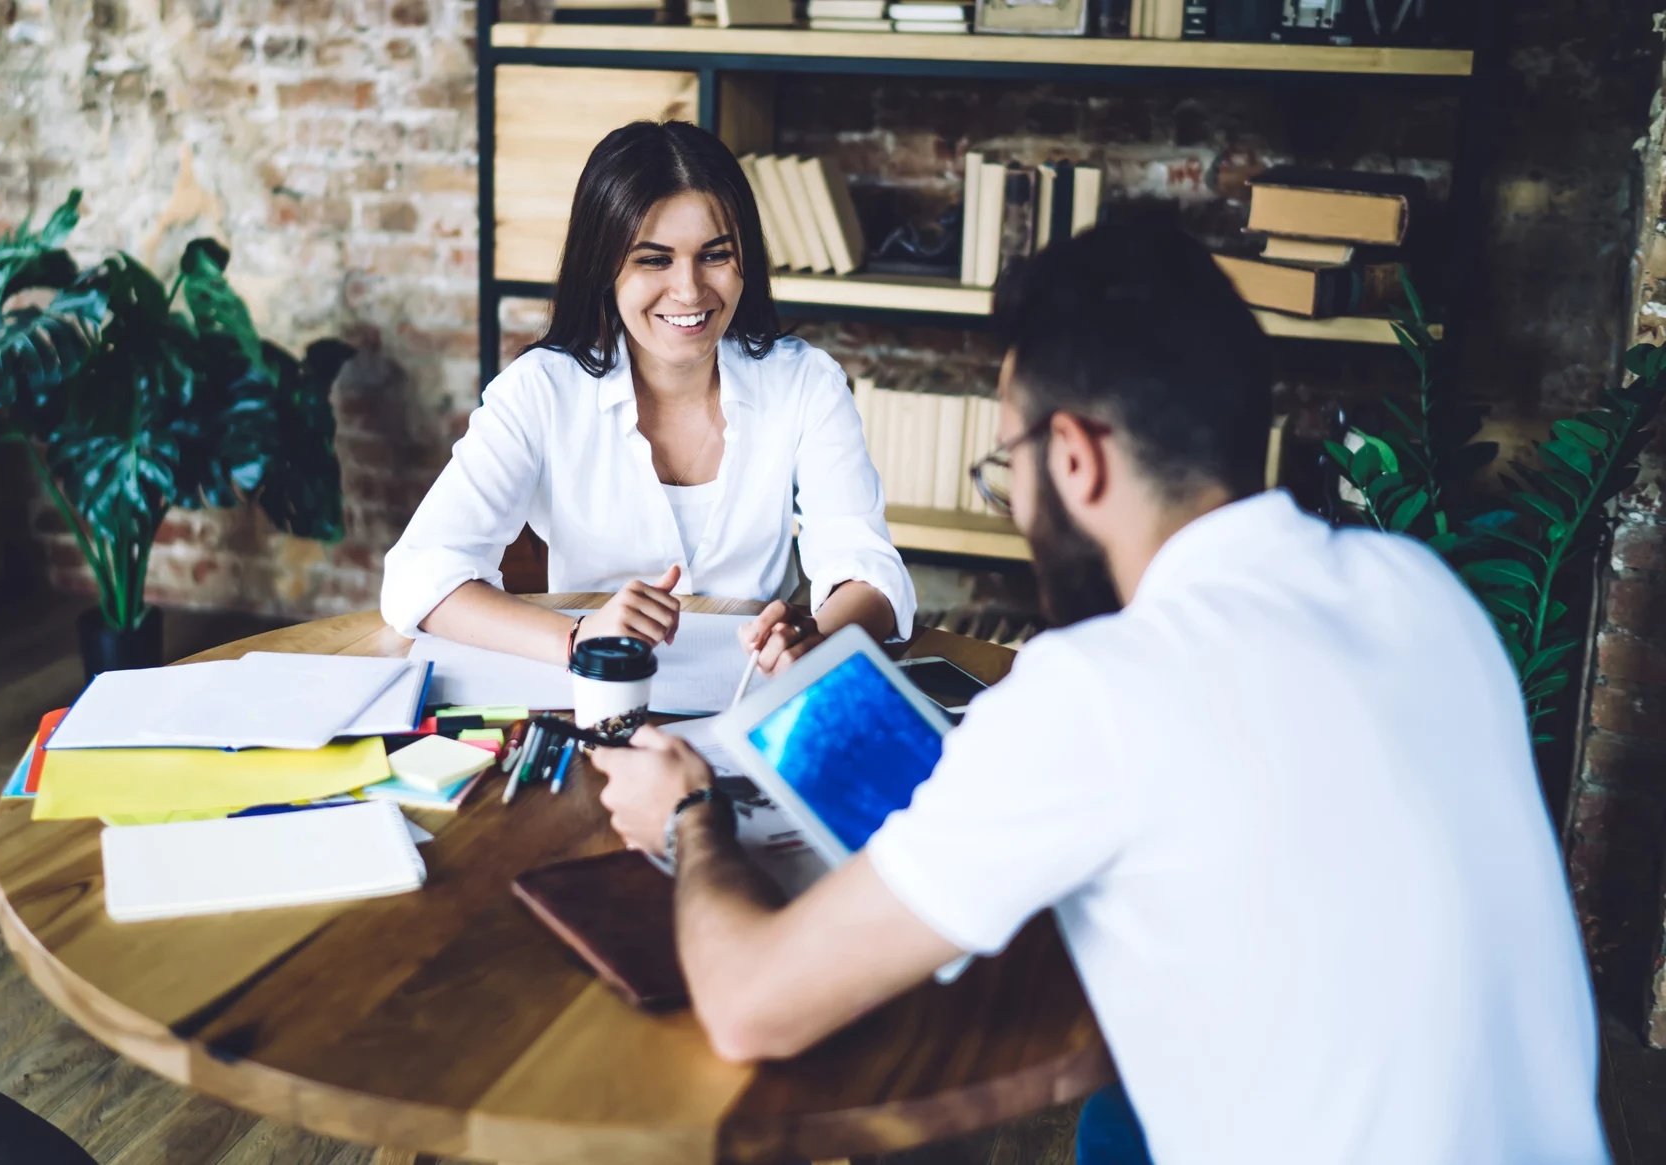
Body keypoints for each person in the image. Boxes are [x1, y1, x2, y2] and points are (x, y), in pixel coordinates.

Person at [594, 219, 1609, 1164]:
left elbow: (749, 1005)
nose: (1016, 502)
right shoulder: (1417, 590)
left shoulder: (1097, 693)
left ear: (1073, 457)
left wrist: (686, 808)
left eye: (1008, 467)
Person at [379, 120, 915, 675]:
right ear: (603, 267)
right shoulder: (539, 391)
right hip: (595, 700)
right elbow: (419, 576)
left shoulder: (804, 383)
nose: (689, 290)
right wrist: (580, 637)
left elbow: (868, 568)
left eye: (715, 255)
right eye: (654, 260)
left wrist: (816, 638)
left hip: (754, 698)